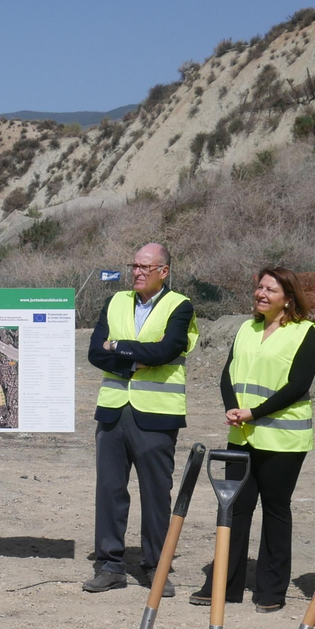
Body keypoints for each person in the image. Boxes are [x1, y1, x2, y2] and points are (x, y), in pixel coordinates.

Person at [196, 265, 315, 612]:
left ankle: (270, 591)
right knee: (235, 509)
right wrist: (232, 407)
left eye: (271, 290)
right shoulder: (245, 329)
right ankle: (223, 585)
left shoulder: (305, 333)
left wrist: (254, 412)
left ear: (288, 299)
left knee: (275, 511)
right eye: (260, 288)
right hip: (242, 434)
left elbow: (298, 386)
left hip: (283, 439)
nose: (262, 294)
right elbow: (229, 373)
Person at [85, 242, 198, 595]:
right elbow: (94, 352)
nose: (136, 272)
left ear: (163, 271)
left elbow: (167, 351)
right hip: (114, 411)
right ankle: (110, 564)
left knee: (155, 495)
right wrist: (136, 358)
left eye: (144, 267)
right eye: (133, 265)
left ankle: (156, 567)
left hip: (156, 416)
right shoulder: (115, 302)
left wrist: (116, 347)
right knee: (109, 490)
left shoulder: (180, 306)